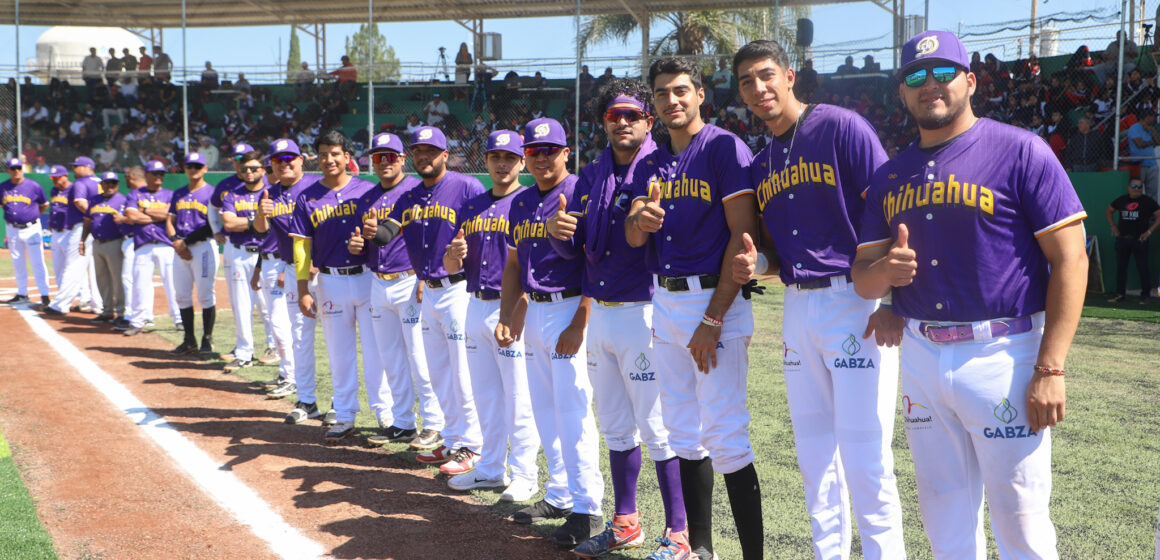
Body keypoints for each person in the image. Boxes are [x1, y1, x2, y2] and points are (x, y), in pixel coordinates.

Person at [852, 30, 1088, 558]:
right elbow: (862, 277)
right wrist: (886, 273)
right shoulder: (890, 176)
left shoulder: (1020, 150)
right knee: (944, 520)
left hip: (1004, 352)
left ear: (971, 81)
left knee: (1022, 526)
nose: (929, 85)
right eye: (915, 76)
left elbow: (1071, 258)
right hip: (921, 353)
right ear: (903, 94)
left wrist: (1051, 367)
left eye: (943, 72)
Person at [731, 39, 906, 559]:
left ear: (789, 76)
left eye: (766, 75)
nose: (758, 88)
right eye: (746, 82)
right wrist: (757, 266)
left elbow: (890, 207)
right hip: (798, 306)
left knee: (866, 456)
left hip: (857, 300)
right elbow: (781, 258)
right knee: (813, 455)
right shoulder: (763, 162)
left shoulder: (840, 126)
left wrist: (893, 299)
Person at [546, 80, 691, 559]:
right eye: (613, 116)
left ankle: (680, 534)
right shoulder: (591, 173)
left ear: (649, 121)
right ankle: (626, 522)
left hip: (645, 309)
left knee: (659, 426)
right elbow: (580, 244)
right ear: (604, 123)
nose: (622, 122)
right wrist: (559, 232)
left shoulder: (661, 166)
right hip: (603, 313)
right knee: (615, 425)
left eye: (632, 114)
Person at [625, 56, 764, 560]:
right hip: (665, 298)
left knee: (726, 434)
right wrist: (640, 218)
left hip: (714, 299)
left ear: (700, 93)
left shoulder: (724, 146)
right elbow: (632, 236)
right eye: (661, 93)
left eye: (680, 90)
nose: (671, 100)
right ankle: (699, 548)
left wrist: (712, 319)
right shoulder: (650, 160)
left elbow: (741, 237)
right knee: (682, 430)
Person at [496, 118, 604, 549]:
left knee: (574, 411)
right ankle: (560, 494)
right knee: (545, 410)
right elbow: (513, 266)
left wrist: (581, 319)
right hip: (536, 310)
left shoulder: (581, 192)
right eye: (534, 151)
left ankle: (589, 509)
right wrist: (509, 313)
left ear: (566, 152)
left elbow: (599, 260)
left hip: (570, 307)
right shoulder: (521, 202)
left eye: (550, 150)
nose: (541, 158)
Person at [368, 126, 485, 473]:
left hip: (459, 290)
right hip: (430, 293)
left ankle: (474, 446)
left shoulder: (466, 187)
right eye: (419, 151)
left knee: (463, 374)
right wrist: (376, 233)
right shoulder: (411, 197)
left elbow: (483, 233)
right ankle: (451, 440)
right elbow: (389, 232)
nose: (424, 157)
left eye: (431, 151)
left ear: (445, 155)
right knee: (439, 374)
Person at [441, 130, 541, 499]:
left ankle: (525, 474)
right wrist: (454, 253)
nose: (502, 164)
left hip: (511, 306)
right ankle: (490, 468)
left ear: (521, 162)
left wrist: (519, 310)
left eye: (510, 158)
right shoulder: (472, 206)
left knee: (518, 396)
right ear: (485, 161)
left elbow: (531, 265)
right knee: (486, 394)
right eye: (496, 157)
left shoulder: (528, 203)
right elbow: (451, 264)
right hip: (474, 302)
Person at [349, 133, 444, 449]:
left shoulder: (415, 192)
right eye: (378, 157)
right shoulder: (366, 198)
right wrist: (358, 245)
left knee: (420, 356)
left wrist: (423, 276)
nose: (385, 162)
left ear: (403, 159)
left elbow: (432, 236)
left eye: (391, 156)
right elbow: (369, 246)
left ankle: (434, 423)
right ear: (371, 162)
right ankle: (403, 422)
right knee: (391, 357)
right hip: (378, 282)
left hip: (409, 281)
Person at [289, 130, 384, 443]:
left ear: (347, 157)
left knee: (377, 351)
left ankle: (386, 416)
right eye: (323, 153)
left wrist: (367, 241)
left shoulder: (367, 191)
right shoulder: (308, 197)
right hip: (330, 281)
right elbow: (302, 248)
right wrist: (304, 288)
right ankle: (344, 416)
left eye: (335, 153)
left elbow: (382, 235)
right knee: (339, 354)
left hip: (368, 278)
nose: (329, 159)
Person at [254, 138, 334, 426]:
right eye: (278, 160)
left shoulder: (316, 187)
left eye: (290, 158)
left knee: (336, 339)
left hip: (323, 270)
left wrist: (314, 261)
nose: (285, 163)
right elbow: (261, 230)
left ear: (302, 160)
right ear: (272, 166)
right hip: (292, 270)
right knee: (300, 337)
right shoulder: (269, 193)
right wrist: (261, 212)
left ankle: (340, 402)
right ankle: (307, 400)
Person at [220, 151, 287, 375]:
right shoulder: (232, 195)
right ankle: (244, 352)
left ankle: (273, 348)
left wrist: (247, 222)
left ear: (264, 170)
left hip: (266, 255)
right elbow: (228, 223)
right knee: (241, 305)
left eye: (255, 168)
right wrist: (257, 220)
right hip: (240, 252)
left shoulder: (272, 194)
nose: (249, 172)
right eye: (245, 168)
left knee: (269, 307)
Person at [167, 152, 219, 356]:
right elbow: (169, 220)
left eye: (198, 166)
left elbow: (212, 226)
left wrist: (184, 243)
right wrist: (175, 242)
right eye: (190, 166)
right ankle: (189, 339)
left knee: (206, 294)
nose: (193, 170)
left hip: (202, 247)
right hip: (180, 248)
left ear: (205, 169)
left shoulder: (211, 193)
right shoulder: (178, 193)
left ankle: (207, 338)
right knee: (181, 295)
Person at [122, 160, 180, 337]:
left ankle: (179, 319)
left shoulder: (170, 194)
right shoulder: (135, 194)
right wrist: (158, 216)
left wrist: (145, 210)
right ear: (146, 175)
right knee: (139, 284)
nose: (159, 177)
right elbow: (131, 215)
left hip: (166, 244)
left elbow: (169, 215)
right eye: (155, 174)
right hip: (143, 245)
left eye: (161, 174)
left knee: (173, 283)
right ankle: (137, 321)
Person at [79, 171, 129, 323]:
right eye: (106, 183)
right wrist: (82, 240)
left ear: (117, 185)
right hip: (97, 243)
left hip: (115, 243)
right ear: (101, 185)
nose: (109, 186)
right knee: (101, 278)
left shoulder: (123, 200)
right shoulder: (94, 200)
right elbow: (88, 221)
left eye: (113, 183)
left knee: (117, 279)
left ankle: (121, 312)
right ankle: (107, 310)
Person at [1, 157, 49, 306]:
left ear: (23, 169)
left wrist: (32, 217)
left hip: (31, 228)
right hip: (12, 229)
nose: (17, 171)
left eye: (19, 168)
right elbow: (4, 206)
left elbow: (44, 204)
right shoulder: (3, 187)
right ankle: (22, 293)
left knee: (38, 261)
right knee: (17, 262)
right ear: (8, 170)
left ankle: (45, 295)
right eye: (13, 169)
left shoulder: (33, 186)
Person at [1106, 178, 1160, 303]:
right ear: (1129, 187)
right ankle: (1120, 294)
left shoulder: (1148, 201)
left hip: (1140, 240)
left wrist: (1149, 232)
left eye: (1139, 187)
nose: (1137, 189)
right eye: (1134, 186)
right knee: (1121, 268)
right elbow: (1108, 210)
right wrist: (1113, 226)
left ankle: (1145, 296)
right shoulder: (1122, 200)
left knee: (1143, 268)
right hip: (1123, 239)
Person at [45, 165, 80, 311]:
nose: (55, 181)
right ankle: (62, 297)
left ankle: (84, 298)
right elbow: (54, 208)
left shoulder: (73, 189)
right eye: (53, 178)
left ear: (66, 176)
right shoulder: (55, 190)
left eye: (57, 178)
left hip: (69, 232)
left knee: (73, 267)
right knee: (58, 267)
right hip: (56, 232)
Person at [1128, 111, 1160, 201]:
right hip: (1139, 164)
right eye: (1153, 116)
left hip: (1152, 163)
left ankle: (1153, 212)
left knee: (1153, 191)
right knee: (1137, 190)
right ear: (1147, 117)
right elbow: (1139, 144)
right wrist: (1152, 142)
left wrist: (1152, 130)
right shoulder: (1134, 128)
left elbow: (1158, 142)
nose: (1154, 119)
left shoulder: (1150, 129)